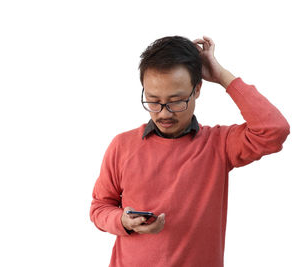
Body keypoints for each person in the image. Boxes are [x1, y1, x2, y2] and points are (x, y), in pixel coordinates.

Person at [89, 35, 290, 267]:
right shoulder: (122, 145)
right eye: (153, 100)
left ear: (197, 90)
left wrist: (222, 76)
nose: (164, 113)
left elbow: (274, 130)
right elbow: (99, 207)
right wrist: (123, 221)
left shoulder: (219, 144)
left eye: (176, 101)